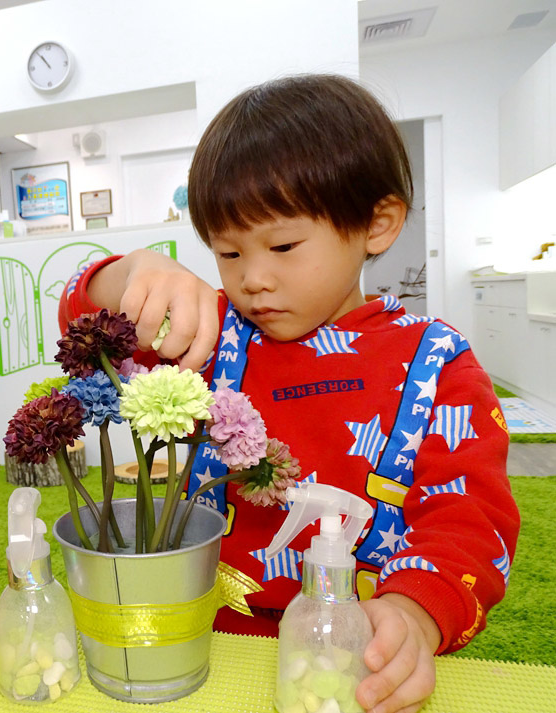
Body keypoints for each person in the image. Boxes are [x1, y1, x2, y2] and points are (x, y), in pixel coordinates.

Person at [59, 74, 519, 713]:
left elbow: (469, 520)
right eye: (226, 252)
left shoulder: (438, 363)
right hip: (209, 648)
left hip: (354, 659)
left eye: (282, 245)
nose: (252, 279)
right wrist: (130, 273)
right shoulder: (211, 337)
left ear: (377, 224)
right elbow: (83, 331)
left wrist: (414, 615)